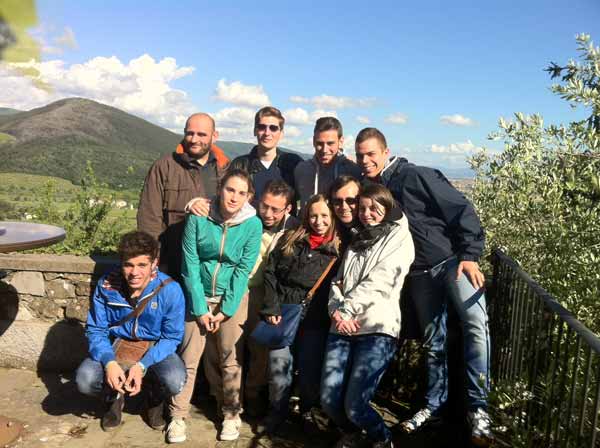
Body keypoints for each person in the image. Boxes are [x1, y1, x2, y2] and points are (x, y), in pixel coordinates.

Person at [355, 127, 492, 445]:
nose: (365, 160)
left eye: (371, 154)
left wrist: (470, 254)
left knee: (476, 326)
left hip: (452, 263)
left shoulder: (414, 176)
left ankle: (479, 409)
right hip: (418, 274)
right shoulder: (372, 188)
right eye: (360, 155)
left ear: (386, 152)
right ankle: (433, 406)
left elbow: (459, 207)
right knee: (433, 342)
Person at [167, 168, 262, 443]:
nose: (234, 197)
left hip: (231, 297)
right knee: (189, 358)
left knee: (231, 359)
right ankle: (177, 416)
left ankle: (231, 414)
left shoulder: (253, 225)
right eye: (230, 189)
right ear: (220, 189)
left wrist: (225, 311)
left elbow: (243, 270)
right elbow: (190, 263)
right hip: (197, 294)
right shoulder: (199, 217)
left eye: (241, 193)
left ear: (249, 197)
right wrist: (199, 308)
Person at [321, 183, 415, 448]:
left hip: (376, 328)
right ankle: (353, 433)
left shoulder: (398, 238)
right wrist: (336, 312)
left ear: (388, 208)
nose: (367, 213)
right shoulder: (358, 239)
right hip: (342, 326)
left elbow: (379, 281)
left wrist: (346, 309)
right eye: (362, 208)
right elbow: (338, 282)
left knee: (356, 404)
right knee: (328, 399)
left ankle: (382, 438)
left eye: (375, 208)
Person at [76, 231, 186, 433]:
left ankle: (153, 398)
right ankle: (113, 396)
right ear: (121, 263)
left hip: (154, 345)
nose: (134, 272)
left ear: (154, 263)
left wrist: (142, 365)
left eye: (142, 265)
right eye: (128, 265)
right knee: (85, 380)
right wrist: (109, 362)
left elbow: (171, 337)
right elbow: (96, 329)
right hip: (118, 342)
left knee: (174, 381)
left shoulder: (170, 289)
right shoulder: (107, 286)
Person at [260, 194, 340, 434]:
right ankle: (278, 410)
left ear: (332, 217)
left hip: (315, 320)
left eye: (324, 215)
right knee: (278, 368)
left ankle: (306, 410)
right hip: (283, 313)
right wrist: (271, 306)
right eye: (313, 215)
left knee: (309, 371)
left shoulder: (338, 249)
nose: (318, 221)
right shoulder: (291, 239)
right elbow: (270, 273)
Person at [137, 112, 229, 278]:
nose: (194, 139)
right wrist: (154, 259)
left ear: (214, 136)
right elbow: (149, 219)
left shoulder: (225, 170)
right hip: (173, 263)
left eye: (201, 134)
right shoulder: (164, 167)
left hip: (212, 268)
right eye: (190, 133)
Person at [245, 179, 299, 417]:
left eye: (275, 209)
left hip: (273, 294)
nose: (267, 213)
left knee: (261, 348)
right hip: (244, 288)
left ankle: (254, 394)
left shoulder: (295, 229)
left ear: (288, 208)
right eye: (264, 206)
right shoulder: (248, 218)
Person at [229, 106, 302, 204]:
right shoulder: (240, 165)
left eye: (273, 128)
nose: (267, 133)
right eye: (262, 127)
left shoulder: (293, 163)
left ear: (281, 133)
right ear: (255, 131)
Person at [295, 117, 361, 210]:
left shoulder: (352, 170)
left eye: (330, 143)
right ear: (313, 141)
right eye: (320, 143)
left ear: (341, 141)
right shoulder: (302, 170)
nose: (324, 150)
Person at [328, 175, 361, 250]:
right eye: (337, 201)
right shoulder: (324, 231)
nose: (344, 207)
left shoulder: (371, 232)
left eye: (350, 200)